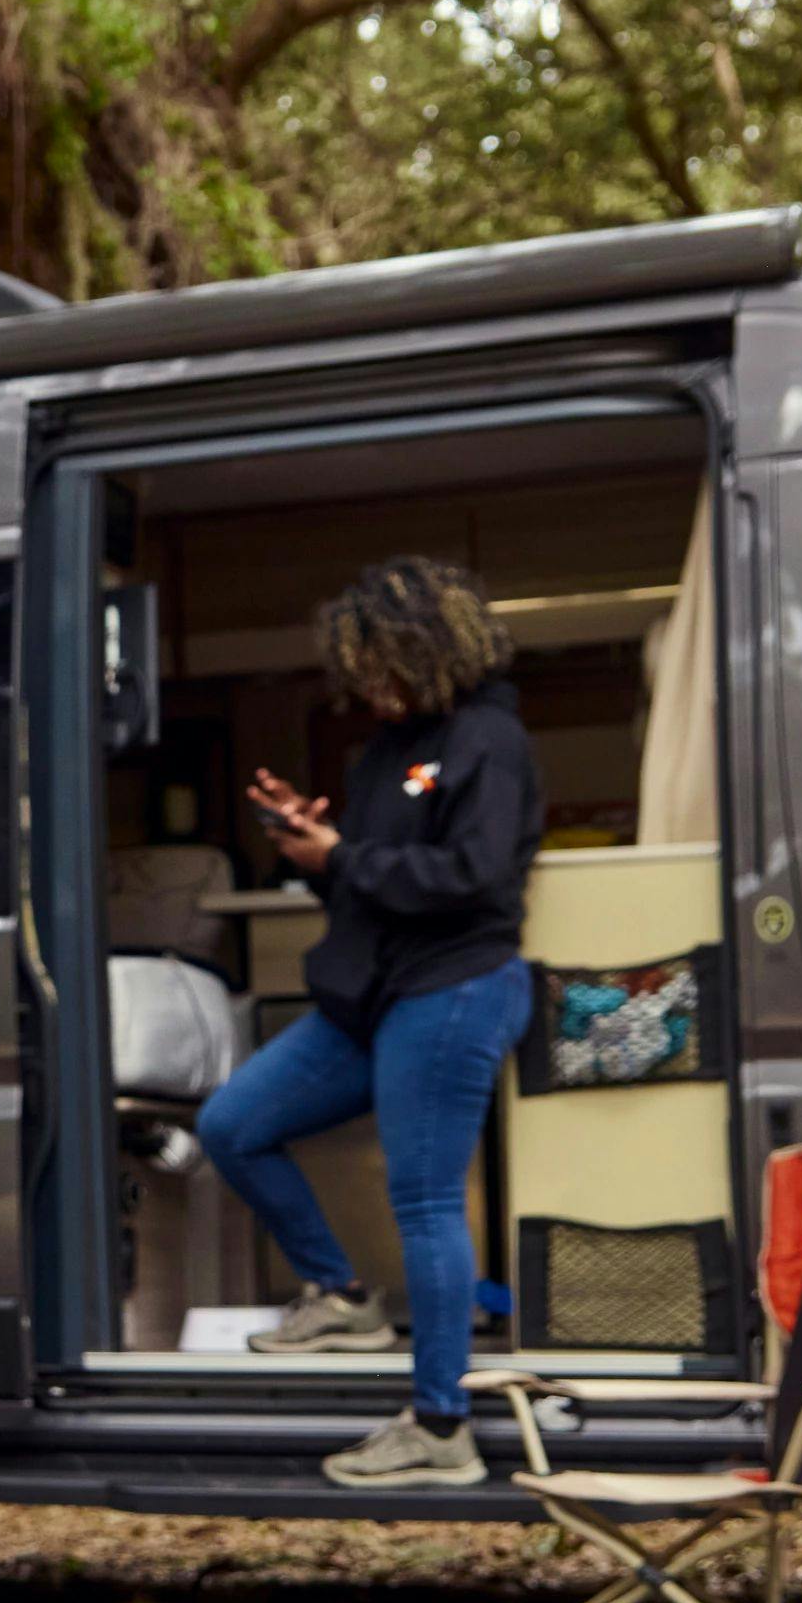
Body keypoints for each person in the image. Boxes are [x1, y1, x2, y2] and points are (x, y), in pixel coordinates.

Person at [203, 555, 544, 1487]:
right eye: (362, 675)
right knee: (231, 1125)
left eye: (384, 671)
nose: (372, 691)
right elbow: (368, 868)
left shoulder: (488, 741)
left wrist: (343, 853)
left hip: (452, 988)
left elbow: (471, 878)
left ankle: (440, 1428)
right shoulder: (381, 755)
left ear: (430, 652)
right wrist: (312, 843)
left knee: (427, 1201)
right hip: (369, 998)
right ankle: (346, 1295)